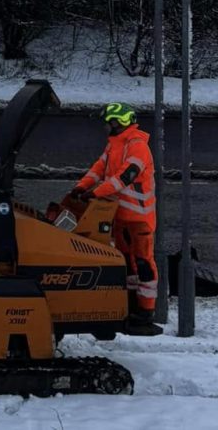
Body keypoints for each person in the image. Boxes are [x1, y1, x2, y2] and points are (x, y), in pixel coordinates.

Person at [71, 102, 163, 336]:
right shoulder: (114, 145)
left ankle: (146, 311)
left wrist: (95, 192)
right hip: (119, 215)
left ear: (119, 122)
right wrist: (80, 187)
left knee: (143, 263)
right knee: (126, 262)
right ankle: (131, 303)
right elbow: (98, 169)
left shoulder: (138, 146)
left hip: (140, 218)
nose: (106, 128)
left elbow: (124, 178)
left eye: (109, 123)